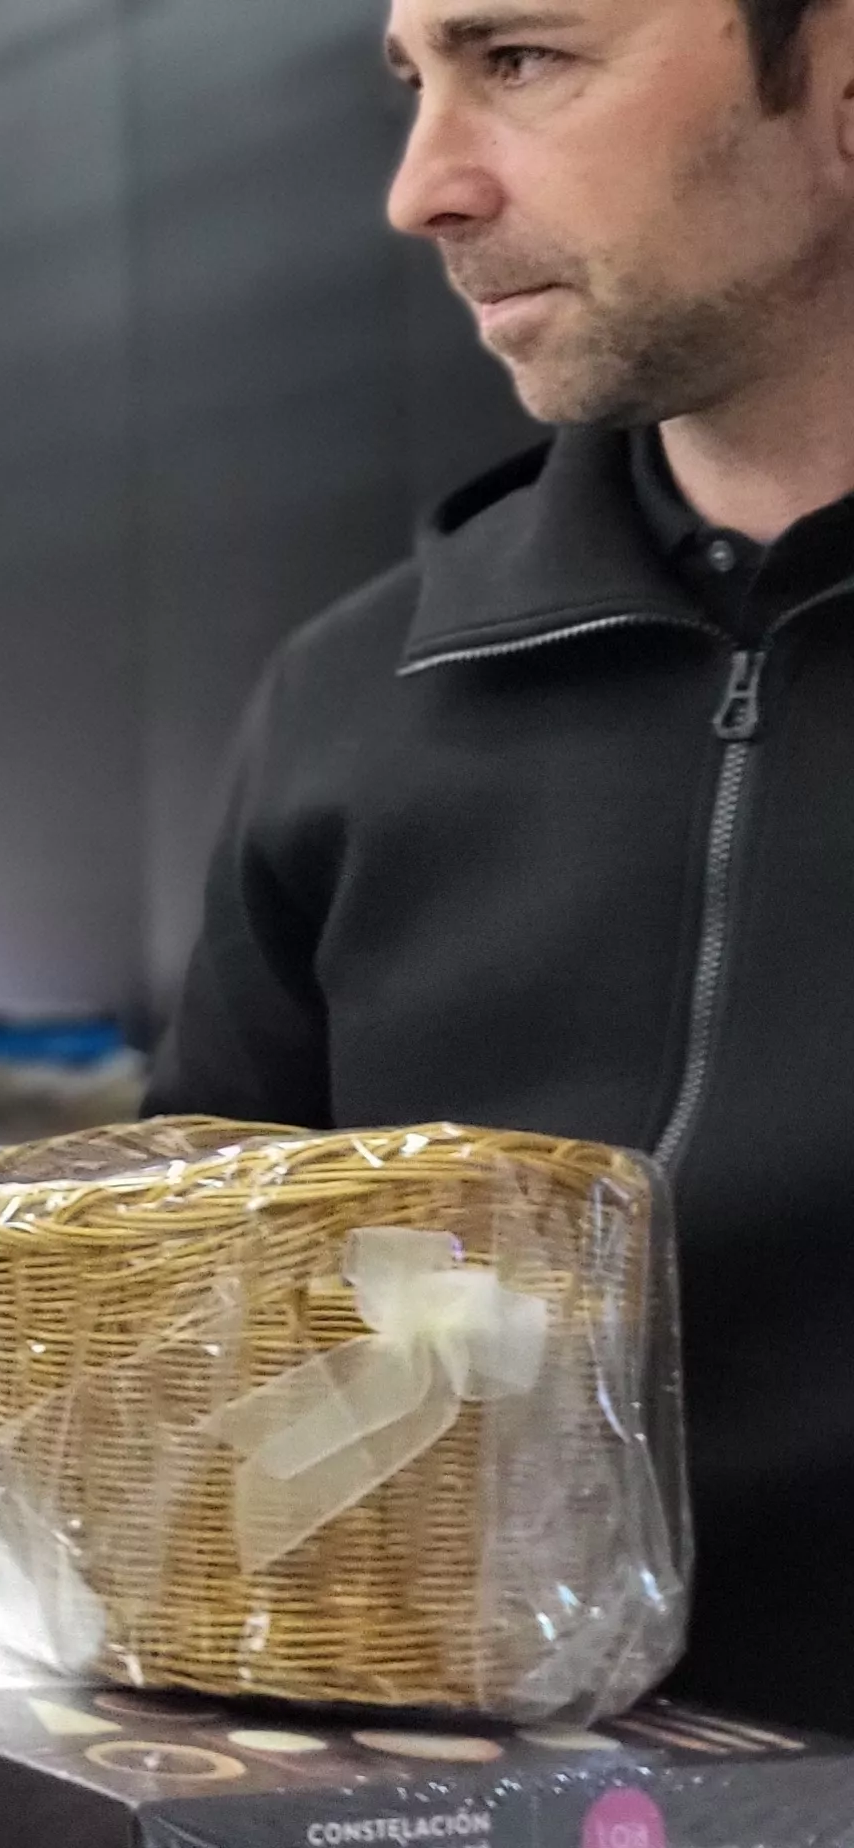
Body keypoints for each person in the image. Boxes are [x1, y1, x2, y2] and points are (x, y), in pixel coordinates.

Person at [159, 0, 854, 1732]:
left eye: (524, 58)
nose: (421, 190)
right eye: (415, 82)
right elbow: (190, 1391)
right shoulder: (358, 701)